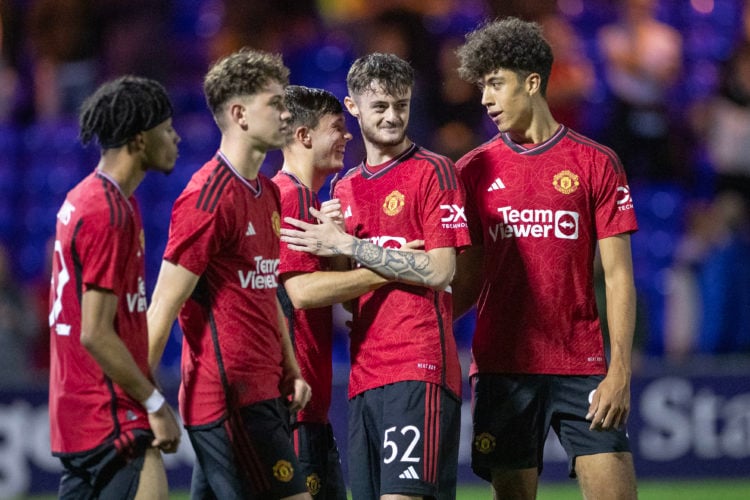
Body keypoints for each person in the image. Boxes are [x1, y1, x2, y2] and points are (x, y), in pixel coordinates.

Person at [453, 18, 639, 499]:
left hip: (582, 366)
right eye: (482, 86)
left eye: (495, 84)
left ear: (532, 82)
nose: (485, 99)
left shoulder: (595, 162)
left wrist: (620, 371)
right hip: (502, 367)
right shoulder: (472, 169)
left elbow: (618, 277)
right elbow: (468, 280)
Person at [280, 52, 470, 500]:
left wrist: (349, 246)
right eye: (380, 106)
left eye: (401, 105)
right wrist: (342, 246)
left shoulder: (434, 171)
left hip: (418, 365)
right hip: (365, 374)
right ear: (353, 107)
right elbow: (349, 299)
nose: (392, 117)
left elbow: (442, 269)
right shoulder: (342, 187)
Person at [146, 48, 313, 499]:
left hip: (263, 390)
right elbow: (164, 303)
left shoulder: (268, 194)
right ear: (239, 114)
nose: (286, 113)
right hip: (228, 400)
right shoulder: (208, 197)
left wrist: (291, 367)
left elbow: (265, 289)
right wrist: (140, 397)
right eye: (275, 103)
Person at [48, 75, 182, 499]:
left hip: (79, 416)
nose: (176, 138)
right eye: (167, 129)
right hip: (111, 415)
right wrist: (155, 404)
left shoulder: (90, 198)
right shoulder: (107, 211)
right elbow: (95, 332)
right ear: (141, 140)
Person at [273, 84, 388, 499]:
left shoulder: (308, 201)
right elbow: (302, 291)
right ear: (304, 136)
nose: (347, 136)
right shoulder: (292, 198)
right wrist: (390, 271)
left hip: (310, 407)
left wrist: (339, 243)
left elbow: (337, 298)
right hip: (295, 406)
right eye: (336, 127)